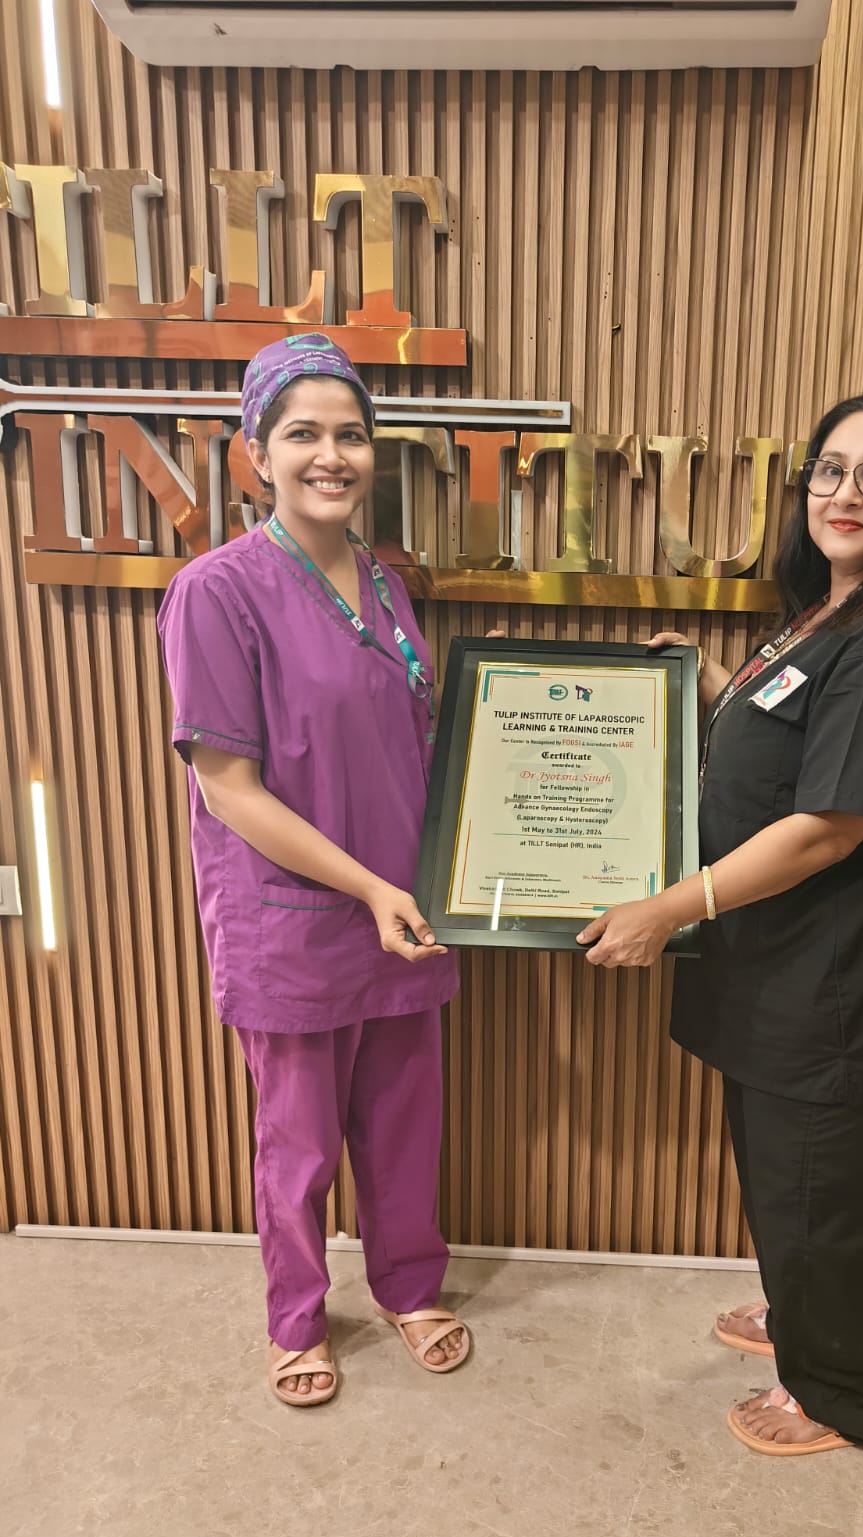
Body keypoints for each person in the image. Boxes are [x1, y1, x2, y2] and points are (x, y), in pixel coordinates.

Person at [578, 382, 863, 1456]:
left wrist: (666, 908)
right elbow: (796, 737)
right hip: (781, 964)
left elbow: (828, 827)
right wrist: (711, 679)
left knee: (820, 1188)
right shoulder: (832, 613)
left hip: (843, 978)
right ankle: (804, 1313)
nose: (846, 492)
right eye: (830, 469)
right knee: (784, 1173)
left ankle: (836, 1389)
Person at [158, 332, 469, 1407]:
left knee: (405, 1121)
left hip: (403, 906)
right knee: (297, 1145)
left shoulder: (387, 583)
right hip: (292, 915)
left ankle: (408, 1286)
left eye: (351, 435)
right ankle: (296, 1318)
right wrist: (370, 888)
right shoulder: (215, 591)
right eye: (302, 434)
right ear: (257, 452)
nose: (330, 456)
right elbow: (229, 789)